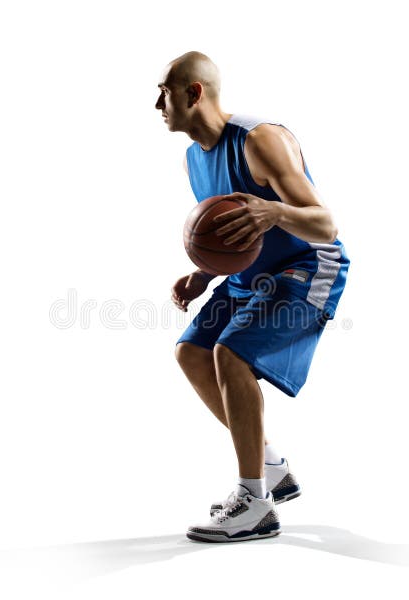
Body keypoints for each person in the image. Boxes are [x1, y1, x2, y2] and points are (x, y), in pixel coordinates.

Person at [156, 51, 350, 543]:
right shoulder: (193, 157)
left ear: (193, 93)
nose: (157, 103)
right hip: (255, 274)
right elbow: (231, 236)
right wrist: (203, 273)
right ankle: (272, 469)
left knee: (231, 352)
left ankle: (256, 503)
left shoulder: (261, 141)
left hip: (308, 267)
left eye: (165, 91)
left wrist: (274, 211)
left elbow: (324, 224)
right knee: (192, 352)